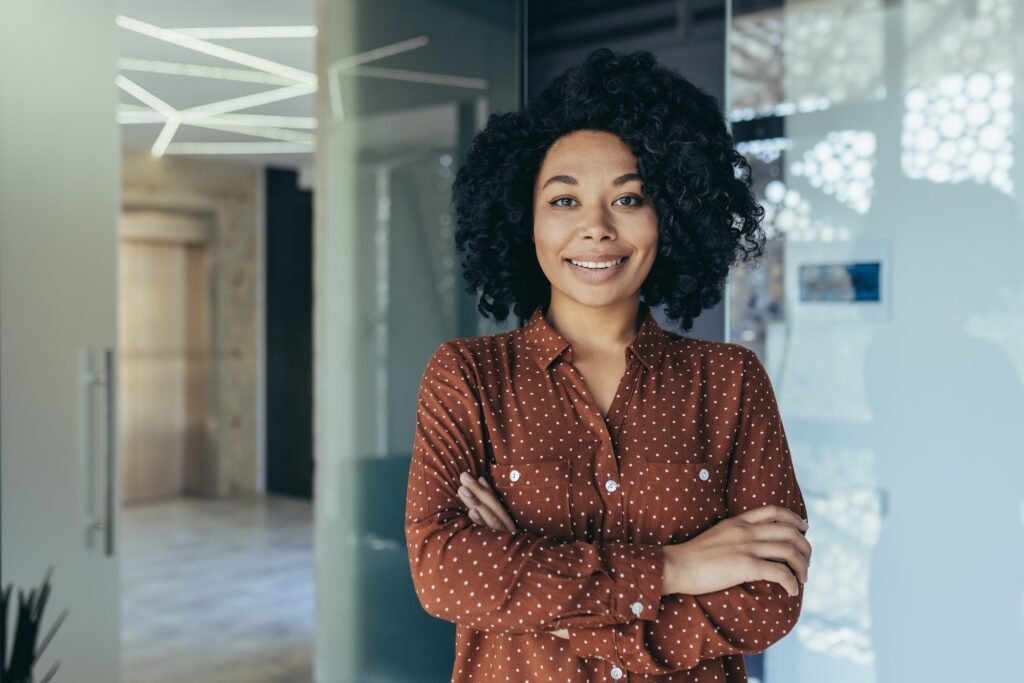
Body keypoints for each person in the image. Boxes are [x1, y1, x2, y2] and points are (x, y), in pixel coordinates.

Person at [405, 47, 810, 683]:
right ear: (524, 220)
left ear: (670, 217)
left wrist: (545, 596)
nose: (595, 227)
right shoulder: (467, 377)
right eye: (564, 201)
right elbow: (444, 572)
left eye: (628, 199)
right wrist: (675, 568)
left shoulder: (730, 381)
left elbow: (769, 598)